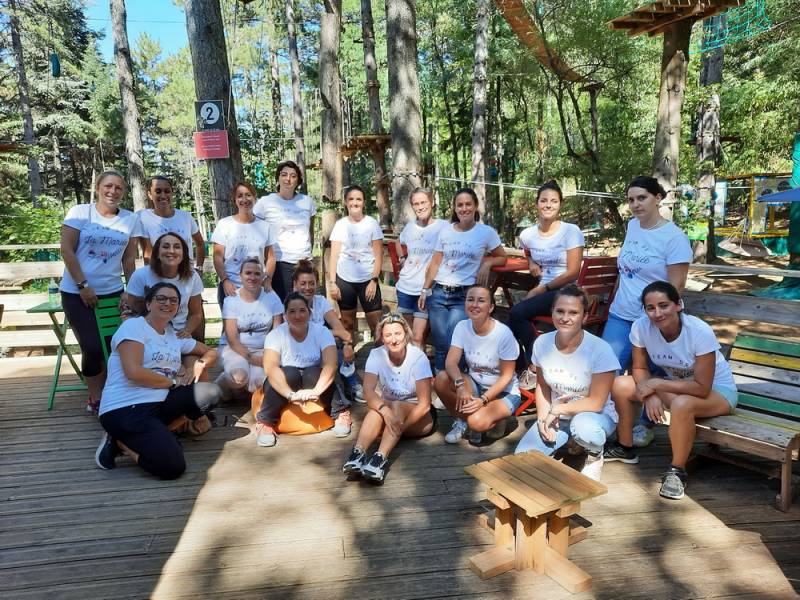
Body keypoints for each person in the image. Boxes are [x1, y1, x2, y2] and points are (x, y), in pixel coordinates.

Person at [604, 281, 737, 499]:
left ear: (678, 305)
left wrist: (656, 385)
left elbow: (702, 389)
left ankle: (677, 470)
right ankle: (624, 446)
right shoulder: (640, 327)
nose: (657, 313)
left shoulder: (699, 331)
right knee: (621, 384)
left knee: (681, 404)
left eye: (664, 305)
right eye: (650, 308)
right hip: (675, 388)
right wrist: (650, 394)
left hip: (717, 393)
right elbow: (638, 368)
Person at [94, 283, 221, 479]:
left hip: (160, 404)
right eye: (161, 298)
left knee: (210, 392)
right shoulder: (134, 327)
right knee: (172, 467)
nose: (167, 303)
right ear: (148, 304)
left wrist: (199, 364)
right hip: (126, 407)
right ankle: (121, 444)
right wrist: (172, 382)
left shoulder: (174, 336)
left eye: (173, 300)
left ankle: (155, 434)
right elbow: (133, 372)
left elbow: (213, 352)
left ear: (178, 307)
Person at [602, 176, 693, 448]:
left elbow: (676, 286)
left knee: (651, 372)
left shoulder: (674, 238)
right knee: (607, 368)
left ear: (658, 198)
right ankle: (610, 421)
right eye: (631, 199)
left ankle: (645, 423)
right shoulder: (632, 226)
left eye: (641, 198)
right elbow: (625, 270)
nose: (635, 204)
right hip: (621, 313)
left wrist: (658, 317)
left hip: (653, 318)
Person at [513, 285, 620, 482]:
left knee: (583, 428)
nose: (565, 317)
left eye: (573, 312)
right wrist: (543, 418)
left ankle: (594, 453)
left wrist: (557, 410)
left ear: (585, 317)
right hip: (558, 416)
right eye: (560, 311)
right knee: (522, 458)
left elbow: (596, 403)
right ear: (551, 312)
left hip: (595, 416)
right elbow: (543, 386)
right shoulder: (542, 343)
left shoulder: (600, 350)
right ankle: (570, 441)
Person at [59, 170, 140, 413]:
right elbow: (66, 249)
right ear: (97, 188)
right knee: (92, 347)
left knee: (113, 344)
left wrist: (130, 290)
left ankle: (112, 393)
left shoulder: (129, 219)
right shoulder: (80, 212)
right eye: (108, 186)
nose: (112, 191)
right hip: (77, 293)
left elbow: (129, 259)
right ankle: (95, 397)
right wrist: (83, 285)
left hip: (113, 292)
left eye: (118, 188)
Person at [419, 188, 506, 371]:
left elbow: (502, 256)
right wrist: (425, 290)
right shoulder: (445, 231)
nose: (464, 208)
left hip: (464, 294)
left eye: (468, 204)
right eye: (460, 205)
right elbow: (436, 262)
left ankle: (455, 382)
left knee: (454, 341)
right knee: (441, 342)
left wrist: (487, 264)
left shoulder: (486, 232)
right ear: (455, 208)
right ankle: (443, 386)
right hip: (439, 292)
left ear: (475, 207)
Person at [507, 181, 584, 389]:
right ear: (537, 204)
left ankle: (534, 366)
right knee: (509, 321)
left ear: (560, 205)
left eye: (554, 201)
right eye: (544, 200)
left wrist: (543, 288)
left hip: (567, 290)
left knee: (516, 314)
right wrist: (531, 262)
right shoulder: (528, 234)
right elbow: (527, 252)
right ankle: (520, 370)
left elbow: (573, 272)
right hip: (545, 292)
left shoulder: (571, 231)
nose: (548, 205)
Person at [342, 313, 435, 483]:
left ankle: (379, 459)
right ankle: (358, 453)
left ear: (406, 334)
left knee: (396, 405)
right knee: (377, 408)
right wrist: (386, 413)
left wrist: (399, 427)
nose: (393, 340)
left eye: (398, 334)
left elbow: (425, 405)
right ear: (382, 338)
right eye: (388, 335)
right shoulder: (376, 354)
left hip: (418, 418)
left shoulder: (418, 357)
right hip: (390, 414)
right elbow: (368, 392)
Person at [434, 285, 521, 445]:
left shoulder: (503, 333)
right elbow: (451, 362)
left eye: (481, 301)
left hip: (504, 392)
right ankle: (463, 420)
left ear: (491, 307)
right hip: (475, 385)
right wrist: (460, 386)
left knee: (477, 422)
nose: (474, 304)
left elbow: (507, 376)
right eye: (470, 299)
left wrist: (484, 400)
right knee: (441, 379)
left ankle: (486, 419)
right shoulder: (462, 326)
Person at [254, 292, 338, 447]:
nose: (298, 316)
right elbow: (271, 367)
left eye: (302, 310)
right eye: (292, 311)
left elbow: (330, 364)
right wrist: (290, 395)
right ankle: (266, 422)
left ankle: (339, 413)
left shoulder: (322, 332)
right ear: (285, 315)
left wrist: (317, 391)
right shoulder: (275, 335)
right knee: (289, 372)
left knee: (313, 372)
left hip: (313, 381)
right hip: (286, 382)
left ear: (309, 312)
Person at [328, 185, 384, 395]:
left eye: (358, 199)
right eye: (351, 199)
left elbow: (378, 255)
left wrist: (373, 280)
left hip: (367, 279)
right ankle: (348, 365)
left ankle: (381, 366)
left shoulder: (371, 224)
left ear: (363, 202)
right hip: (345, 280)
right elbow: (334, 256)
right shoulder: (340, 226)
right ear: (346, 202)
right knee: (348, 323)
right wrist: (333, 283)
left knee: (376, 325)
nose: (354, 203)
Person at [293, 259, 354, 436]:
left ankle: (342, 410)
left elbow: (341, 330)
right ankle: (347, 391)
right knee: (329, 353)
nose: (307, 288)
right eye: (303, 283)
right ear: (295, 284)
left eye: (312, 283)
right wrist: (328, 334)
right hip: (299, 354)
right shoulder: (290, 303)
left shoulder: (320, 302)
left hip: (322, 350)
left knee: (332, 353)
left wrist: (347, 342)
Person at [217, 258, 284, 400]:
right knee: (239, 378)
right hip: (235, 349)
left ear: (262, 276)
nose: (252, 277)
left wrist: (268, 356)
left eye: (257, 273)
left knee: (260, 384)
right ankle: (223, 385)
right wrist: (254, 359)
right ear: (240, 275)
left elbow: (277, 333)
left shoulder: (272, 297)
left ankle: (240, 391)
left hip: (262, 349)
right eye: (248, 273)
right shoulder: (231, 300)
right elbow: (232, 339)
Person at [253, 160, 316, 301]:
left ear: (298, 180)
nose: (288, 179)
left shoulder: (307, 202)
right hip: (280, 263)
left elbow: (310, 230)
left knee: (305, 305)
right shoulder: (265, 202)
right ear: (278, 178)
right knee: (283, 305)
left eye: (293, 176)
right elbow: (256, 232)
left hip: (304, 261)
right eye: (284, 174)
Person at [125, 232, 205, 342]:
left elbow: (196, 314)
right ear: (157, 253)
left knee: (210, 355)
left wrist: (186, 331)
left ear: (183, 254)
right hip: (148, 336)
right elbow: (132, 310)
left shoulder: (192, 277)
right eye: (166, 246)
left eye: (177, 247)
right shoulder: (141, 275)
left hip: (180, 336)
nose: (171, 251)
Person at [394, 187, 447, 348]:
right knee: (408, 338)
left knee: (418, 337)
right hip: (405, 288)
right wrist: (403, 258)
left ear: (432, 203)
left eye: (423, 202)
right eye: (416, 204)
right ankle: (413, 370)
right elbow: (398, 241)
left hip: (425, 290)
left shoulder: (444, 227)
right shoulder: (410, 227)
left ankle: (419, 372)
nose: (420, 207)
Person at [211, 181, 276, 309]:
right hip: (231, 288)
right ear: (234, 200)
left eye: (248, 195)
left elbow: (271, 257)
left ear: (254, 197)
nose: (244, 199)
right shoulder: (224, 225)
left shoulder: (265, 226)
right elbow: (217, 257)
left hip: (257, 287)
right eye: (240, 196)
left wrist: (267, 278)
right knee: (232, 327)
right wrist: (225, 281)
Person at [136, 175, 205, 269]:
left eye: (167, 191)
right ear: (149, 195)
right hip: (159, 278)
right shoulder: (143, 217)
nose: (163, 195)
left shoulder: (185, 217)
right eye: (158, 191)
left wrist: (199, 268)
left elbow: (200, 243)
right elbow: (148, 253)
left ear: (172, 193)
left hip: (186, 277)